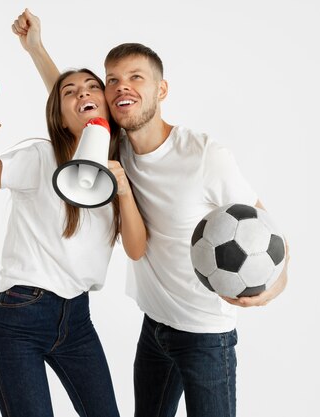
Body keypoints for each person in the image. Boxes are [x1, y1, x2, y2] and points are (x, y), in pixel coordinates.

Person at [14, 9, 289, 416]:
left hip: (205, 336)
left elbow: (268, 232)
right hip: (154, 328)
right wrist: (35, 47)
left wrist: (275, 287)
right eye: (113, 81)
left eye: (135, 77)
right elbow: (71, 100)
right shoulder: (114, 146)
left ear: (162, 90)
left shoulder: (205, 155)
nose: (122, 87)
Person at [0, 67, 147, 416]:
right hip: (21, 317)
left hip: (78, 321)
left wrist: (125, 193)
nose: (83, 95)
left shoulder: (122, 167)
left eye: (91, 88)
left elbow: (135, 249)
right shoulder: (37, 158)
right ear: (58, 115)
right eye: (70, 92)